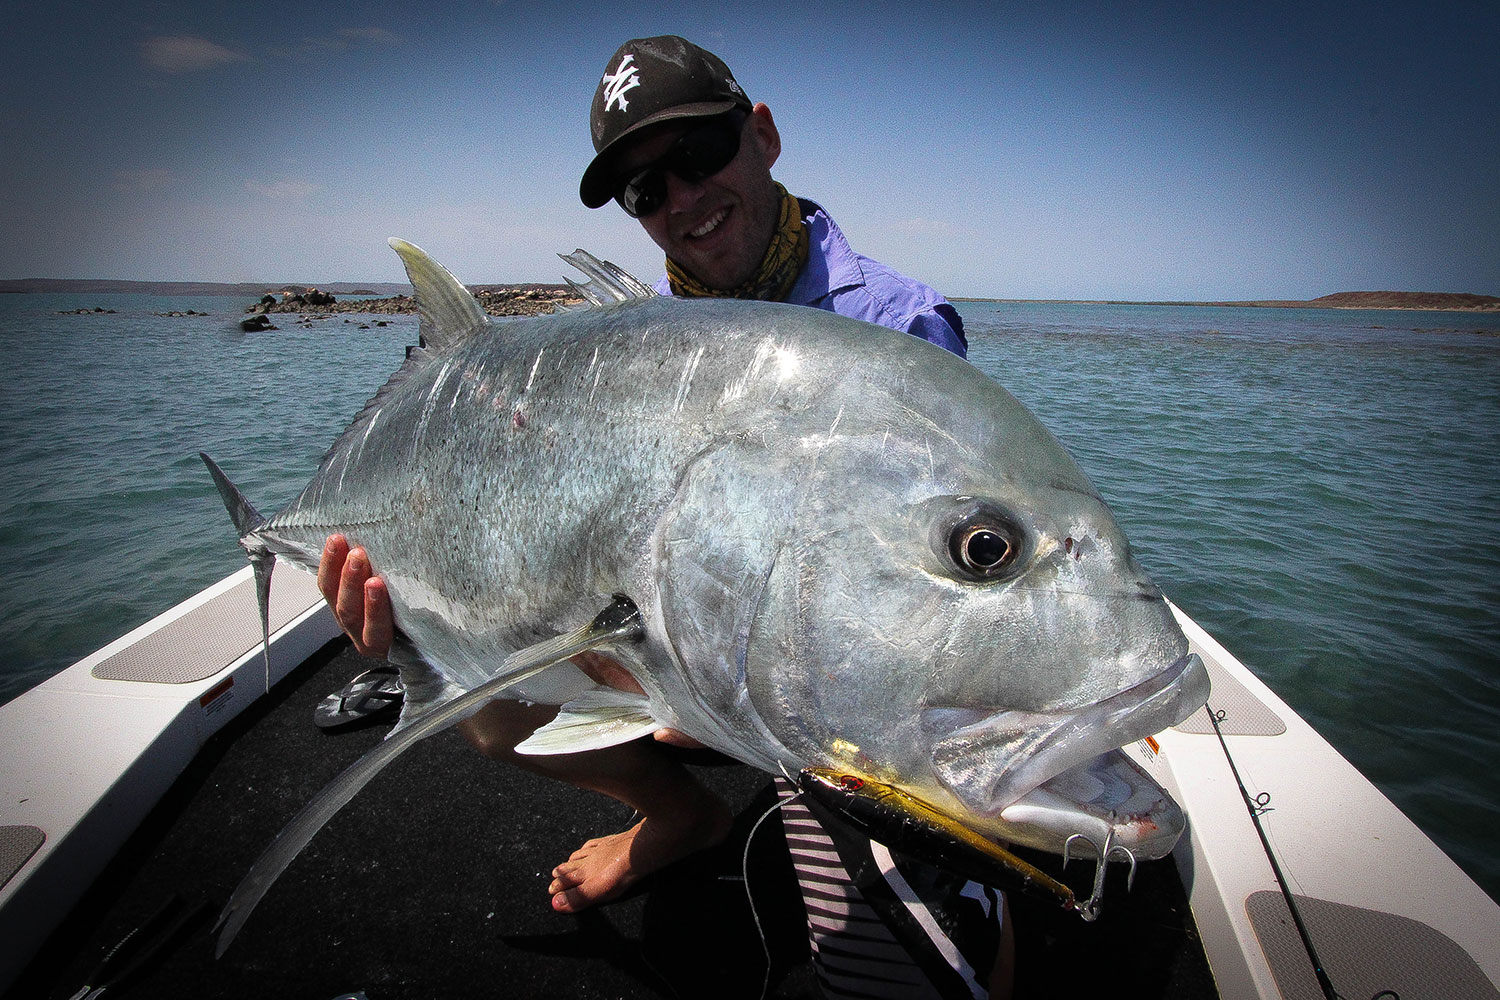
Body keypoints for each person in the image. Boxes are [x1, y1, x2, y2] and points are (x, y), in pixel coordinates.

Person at [319, 35, 1009, 997]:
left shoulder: (896, 330)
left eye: (699, 153)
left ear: (761, 135)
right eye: (646, 190)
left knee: (909, 977)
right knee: (484, 699)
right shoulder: (633, 344)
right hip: (707, 659)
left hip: (846, 693)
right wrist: (431, 610)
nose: (682, 198)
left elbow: (932, 589)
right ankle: (679, 814)